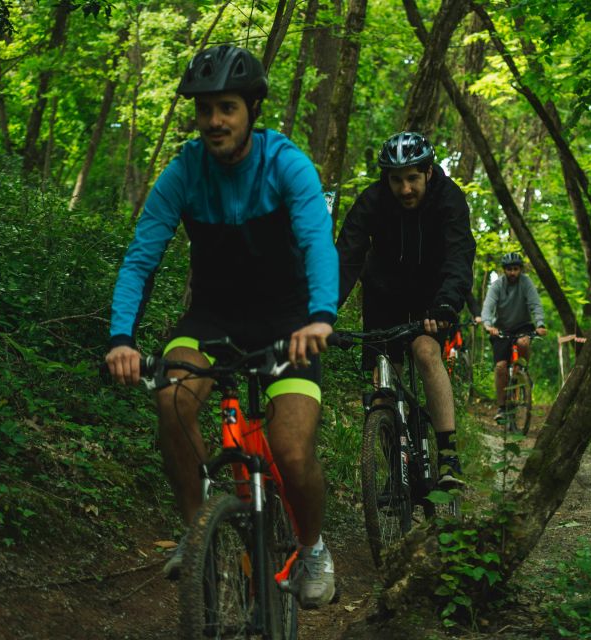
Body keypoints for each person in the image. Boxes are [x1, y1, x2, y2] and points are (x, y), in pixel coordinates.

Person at [104, 45, 337, 609]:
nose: (214, 121)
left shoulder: (286, 164)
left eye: (226, 107)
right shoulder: (183, 172)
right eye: (205, 109)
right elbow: (141, 258)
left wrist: (320, 318)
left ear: (251, 109)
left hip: (288, 323)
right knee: (173, 400)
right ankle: (198, 531)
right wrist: (121, 339)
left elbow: (317, 245)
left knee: (292, 449)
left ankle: (313, 548)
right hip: (211, 319)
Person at [336, 131, 476, 484]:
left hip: (433, 294)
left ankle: (447, 456)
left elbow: (459, 256)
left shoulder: (449, 200)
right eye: (396, 180)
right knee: (383, 382)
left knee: (427, 352)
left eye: (413, 178)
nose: (405, 189)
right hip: (384, 293)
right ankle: (395, 469)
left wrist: (446, 304)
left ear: (428, 172)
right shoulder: (373, 200)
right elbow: (345, 257)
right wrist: (322, 310)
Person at [481, 252, 547, 424]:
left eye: (516, 269)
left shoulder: (526, 283)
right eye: (509, 269)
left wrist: (540, 324)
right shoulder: (497, 285)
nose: (512, 273)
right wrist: (488, 325)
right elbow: (488, 307)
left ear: (520, 270)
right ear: (504, 270)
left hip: (522, 325)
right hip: (501, 328)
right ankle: (502, 407)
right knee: (501, 366)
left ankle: (522, 373)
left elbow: (535, 304)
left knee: (523, 342)